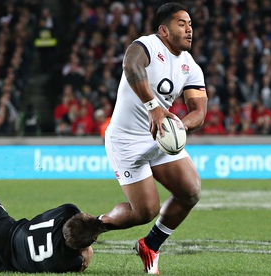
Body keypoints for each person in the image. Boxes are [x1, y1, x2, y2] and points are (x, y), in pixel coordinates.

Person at [101, 3, 208, 274]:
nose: (189, 29)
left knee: (190, 191)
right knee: (144, 211)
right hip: (126, 140)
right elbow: (131, 64)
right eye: (181, 23)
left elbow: (199, 112)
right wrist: (154, 107)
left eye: (190, 24)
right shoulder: (147, 45)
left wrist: (179, 127)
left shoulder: (190, 66)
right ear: (163, 30)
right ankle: (94, 225)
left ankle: (150, 245)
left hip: (159, 135)